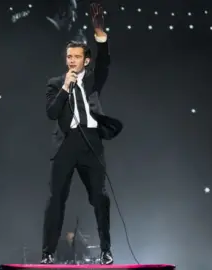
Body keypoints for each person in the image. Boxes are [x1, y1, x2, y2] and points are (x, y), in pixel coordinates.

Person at [41, 2, 122, 265]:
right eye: (68, 57)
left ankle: (106, 251)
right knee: (56, 199)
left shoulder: (93, 79)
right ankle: (48, 253)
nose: (71, 61)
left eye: (76, 57)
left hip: (91, 142)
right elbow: (52, 113)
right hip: (66, 143)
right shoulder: (55, 83)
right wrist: (65, 87)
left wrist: (100, 34)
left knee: (100, 197)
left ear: (86, 60)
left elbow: (106, 60)